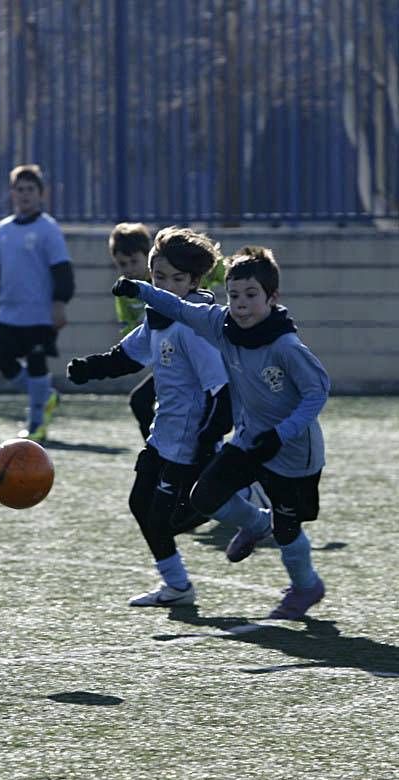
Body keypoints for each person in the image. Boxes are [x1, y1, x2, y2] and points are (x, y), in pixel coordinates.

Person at [112, 245, 330, 620]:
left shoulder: (286, 345)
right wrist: (140, 290)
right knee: (205, 495)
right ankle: (254, 523)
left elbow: (317, 391)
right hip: (248, 440)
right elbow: (180, 308)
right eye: (234, 295)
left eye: (251, 296)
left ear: (272, 297)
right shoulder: (220, 323)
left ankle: (306, 586)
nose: (241, 304)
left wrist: (282, 433)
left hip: (291, 451)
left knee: (289, 525)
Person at [68, 227, 233, 607]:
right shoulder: (157, 317)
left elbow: (221, 391)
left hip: (189, 443)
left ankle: (250, 514)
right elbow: (127, 356)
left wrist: (208, 440)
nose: (166, 285)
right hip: (163, 437)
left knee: (169, 518)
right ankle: (177, 587)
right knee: (140, 505)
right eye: (159, 277)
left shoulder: (194, 327)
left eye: (177, 279)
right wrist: (88, 369)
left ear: (194, 282)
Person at [0, 164, 74, 442]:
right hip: (7, 311)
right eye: (20, 189)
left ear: (41, 194)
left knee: (37, 362)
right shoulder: (3, 230)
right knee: (1, 358)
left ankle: (36, 423)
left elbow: (62, 270)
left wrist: (59, 303)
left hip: (40, 314)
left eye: (31, 189)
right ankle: (46, 395)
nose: (25, 194)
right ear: (12, 193)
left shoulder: (48, 229)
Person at [108, 223, 156, 440]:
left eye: (134, 261)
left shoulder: (165, 279)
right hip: (167, 361)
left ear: (149, 256)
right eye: (122, 264)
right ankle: (156, 453)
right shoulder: (125, 290)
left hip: (191, 361)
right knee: (140, 402)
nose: (129, 269)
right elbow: (129, 327)